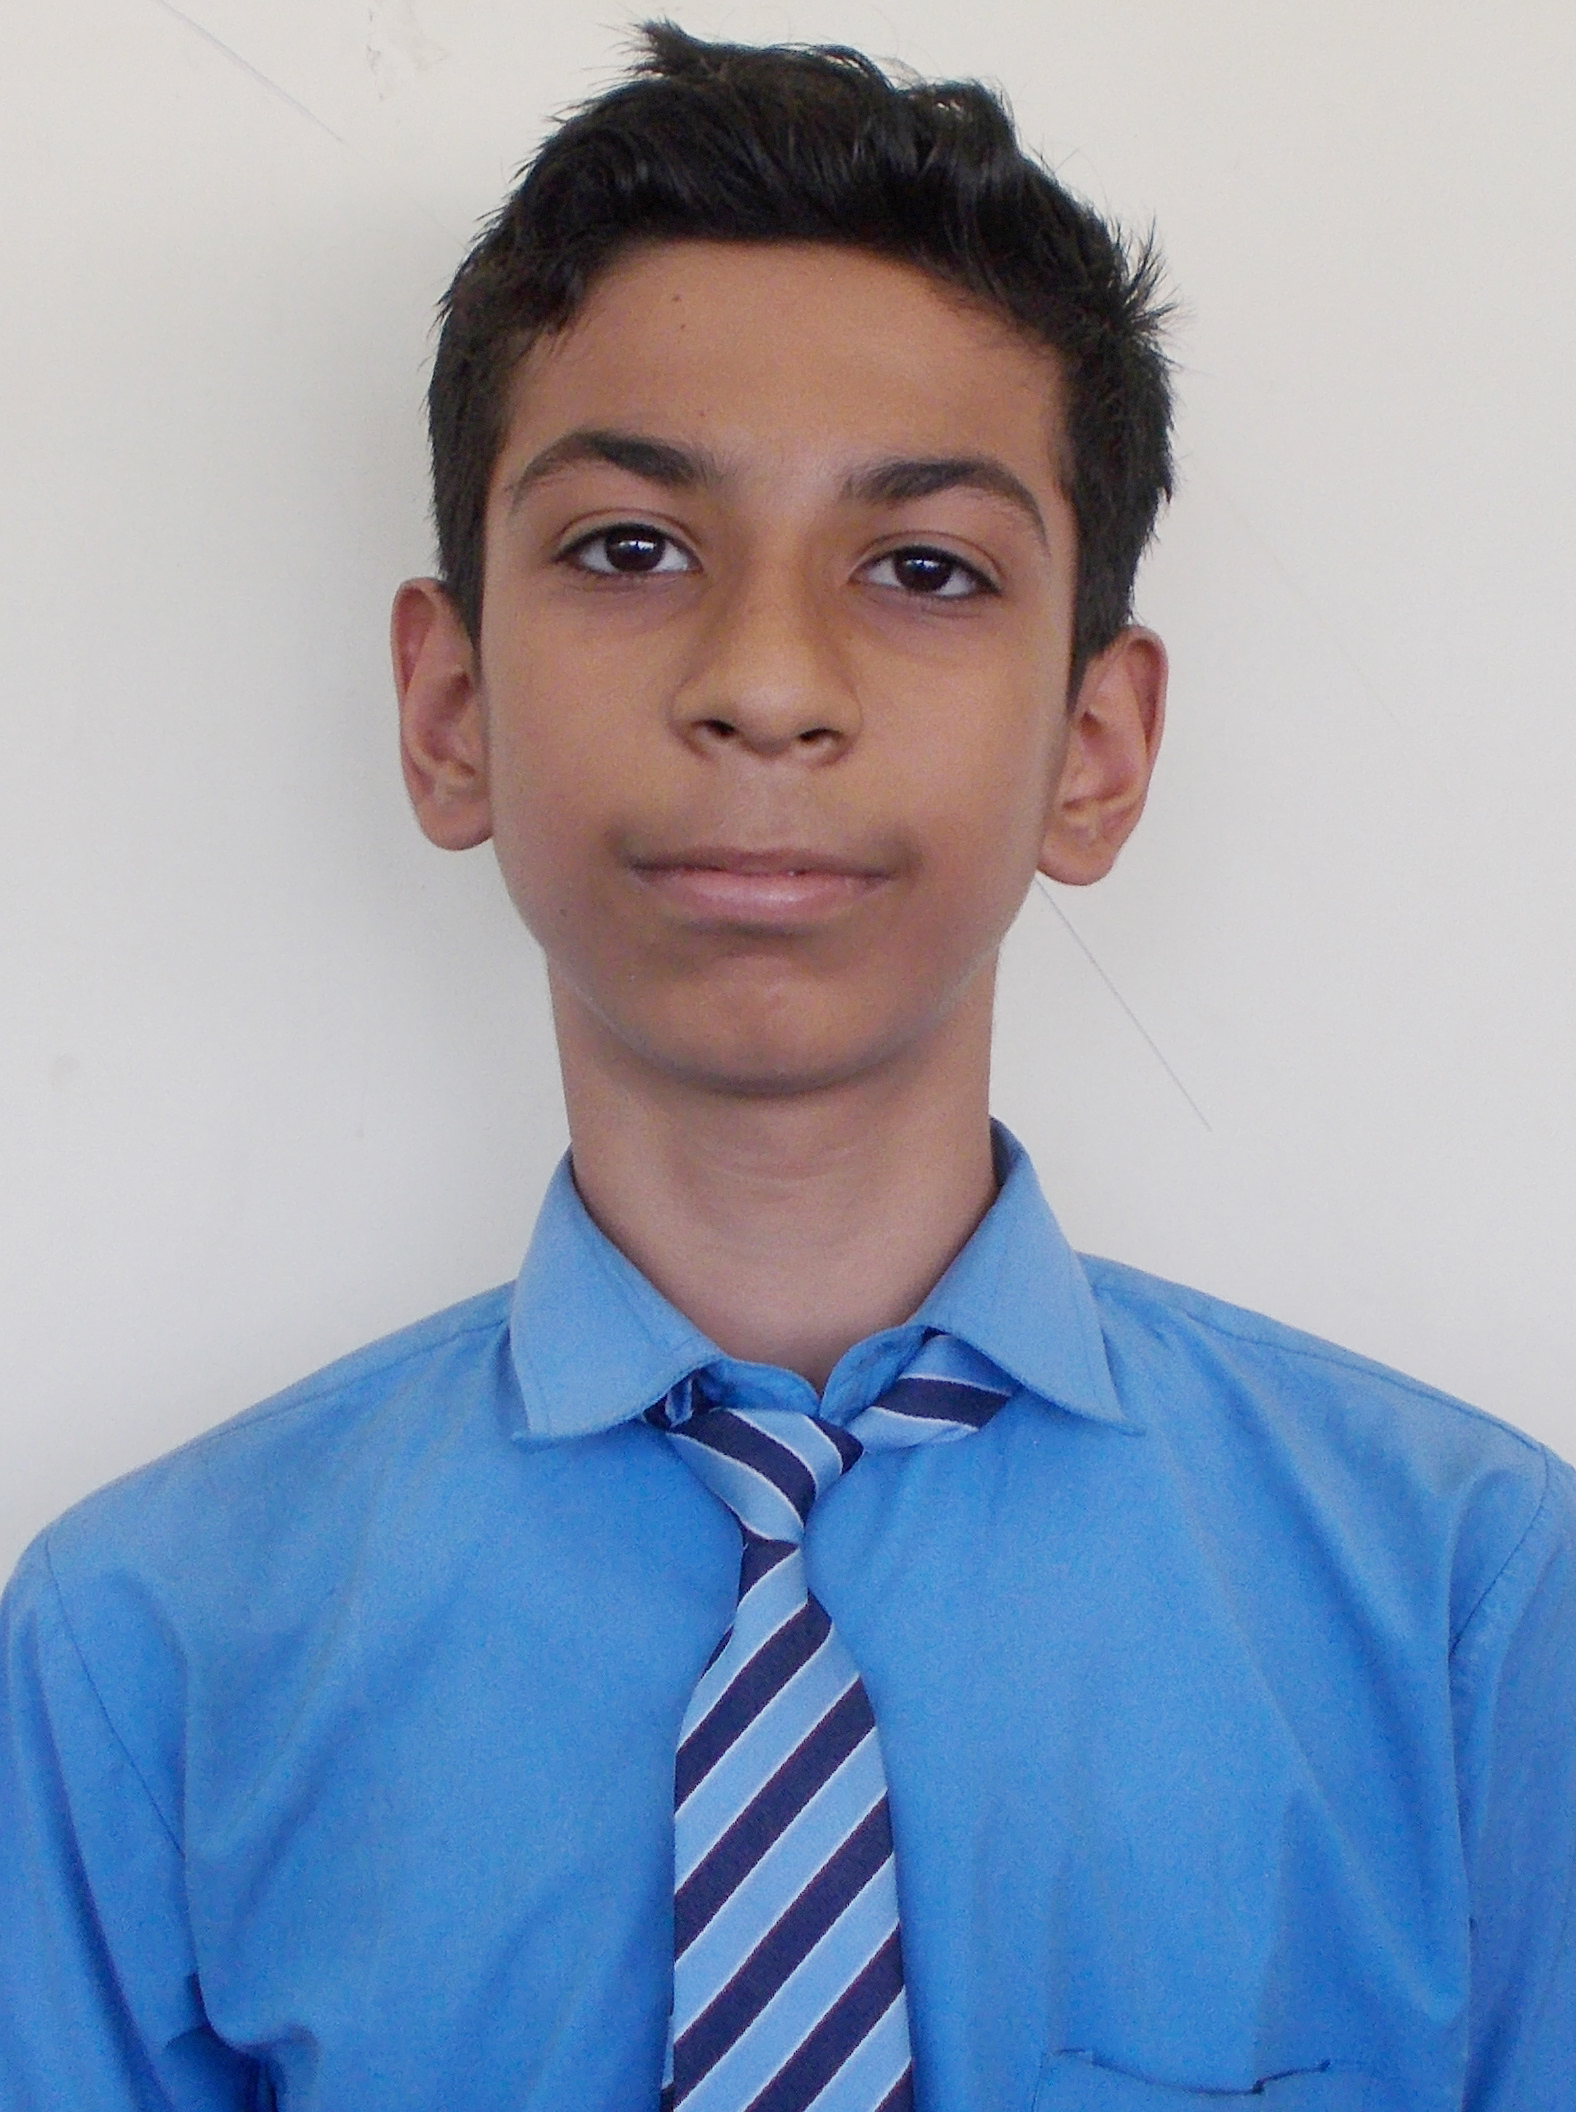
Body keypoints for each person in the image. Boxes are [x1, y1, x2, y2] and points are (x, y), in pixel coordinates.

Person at [1, 22, 1571, 2111]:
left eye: (923, 569)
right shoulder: (144, 1658)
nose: (762, 682)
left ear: (1093, 752)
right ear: (451, 712)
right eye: (629, 548)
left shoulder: (1469, 1609)